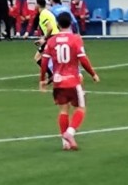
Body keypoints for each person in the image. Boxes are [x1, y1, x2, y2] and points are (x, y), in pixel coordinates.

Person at [39, 12, 100, 151]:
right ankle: (70, 132)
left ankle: (65, 143)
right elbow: (83, 59)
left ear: (58, 25)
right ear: (71, 24)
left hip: (58, 82)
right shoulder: (75, 39)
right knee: (81, 108)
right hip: (73, 80)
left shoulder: (52, 41)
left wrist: (42, 79)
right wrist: (93, 74)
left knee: (63, 111)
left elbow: (44, 62)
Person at [35, 0, 58, 79]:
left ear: (38, 5)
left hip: (52, 37)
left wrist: (44, 38)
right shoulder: (48, 12)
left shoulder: (43, 14)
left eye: (35, 3)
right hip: (55, 36)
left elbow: (50, 28)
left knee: (37, 57)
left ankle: (51, 74)